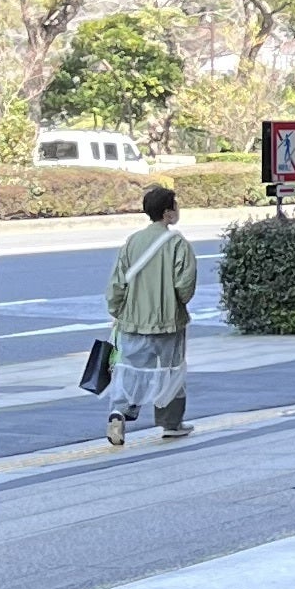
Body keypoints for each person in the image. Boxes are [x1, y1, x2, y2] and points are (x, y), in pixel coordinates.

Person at [104, 183, 198, 448]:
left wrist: (117, 310)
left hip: (133, 320)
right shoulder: (178, 243)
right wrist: (177, 303)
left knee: (130, 369)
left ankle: (118, 412)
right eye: (175, 206)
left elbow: (117, 282)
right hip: (169, 322)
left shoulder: (133, 242)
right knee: (171, 372)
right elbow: (185, 286)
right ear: (168, 213)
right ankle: (171, 424)